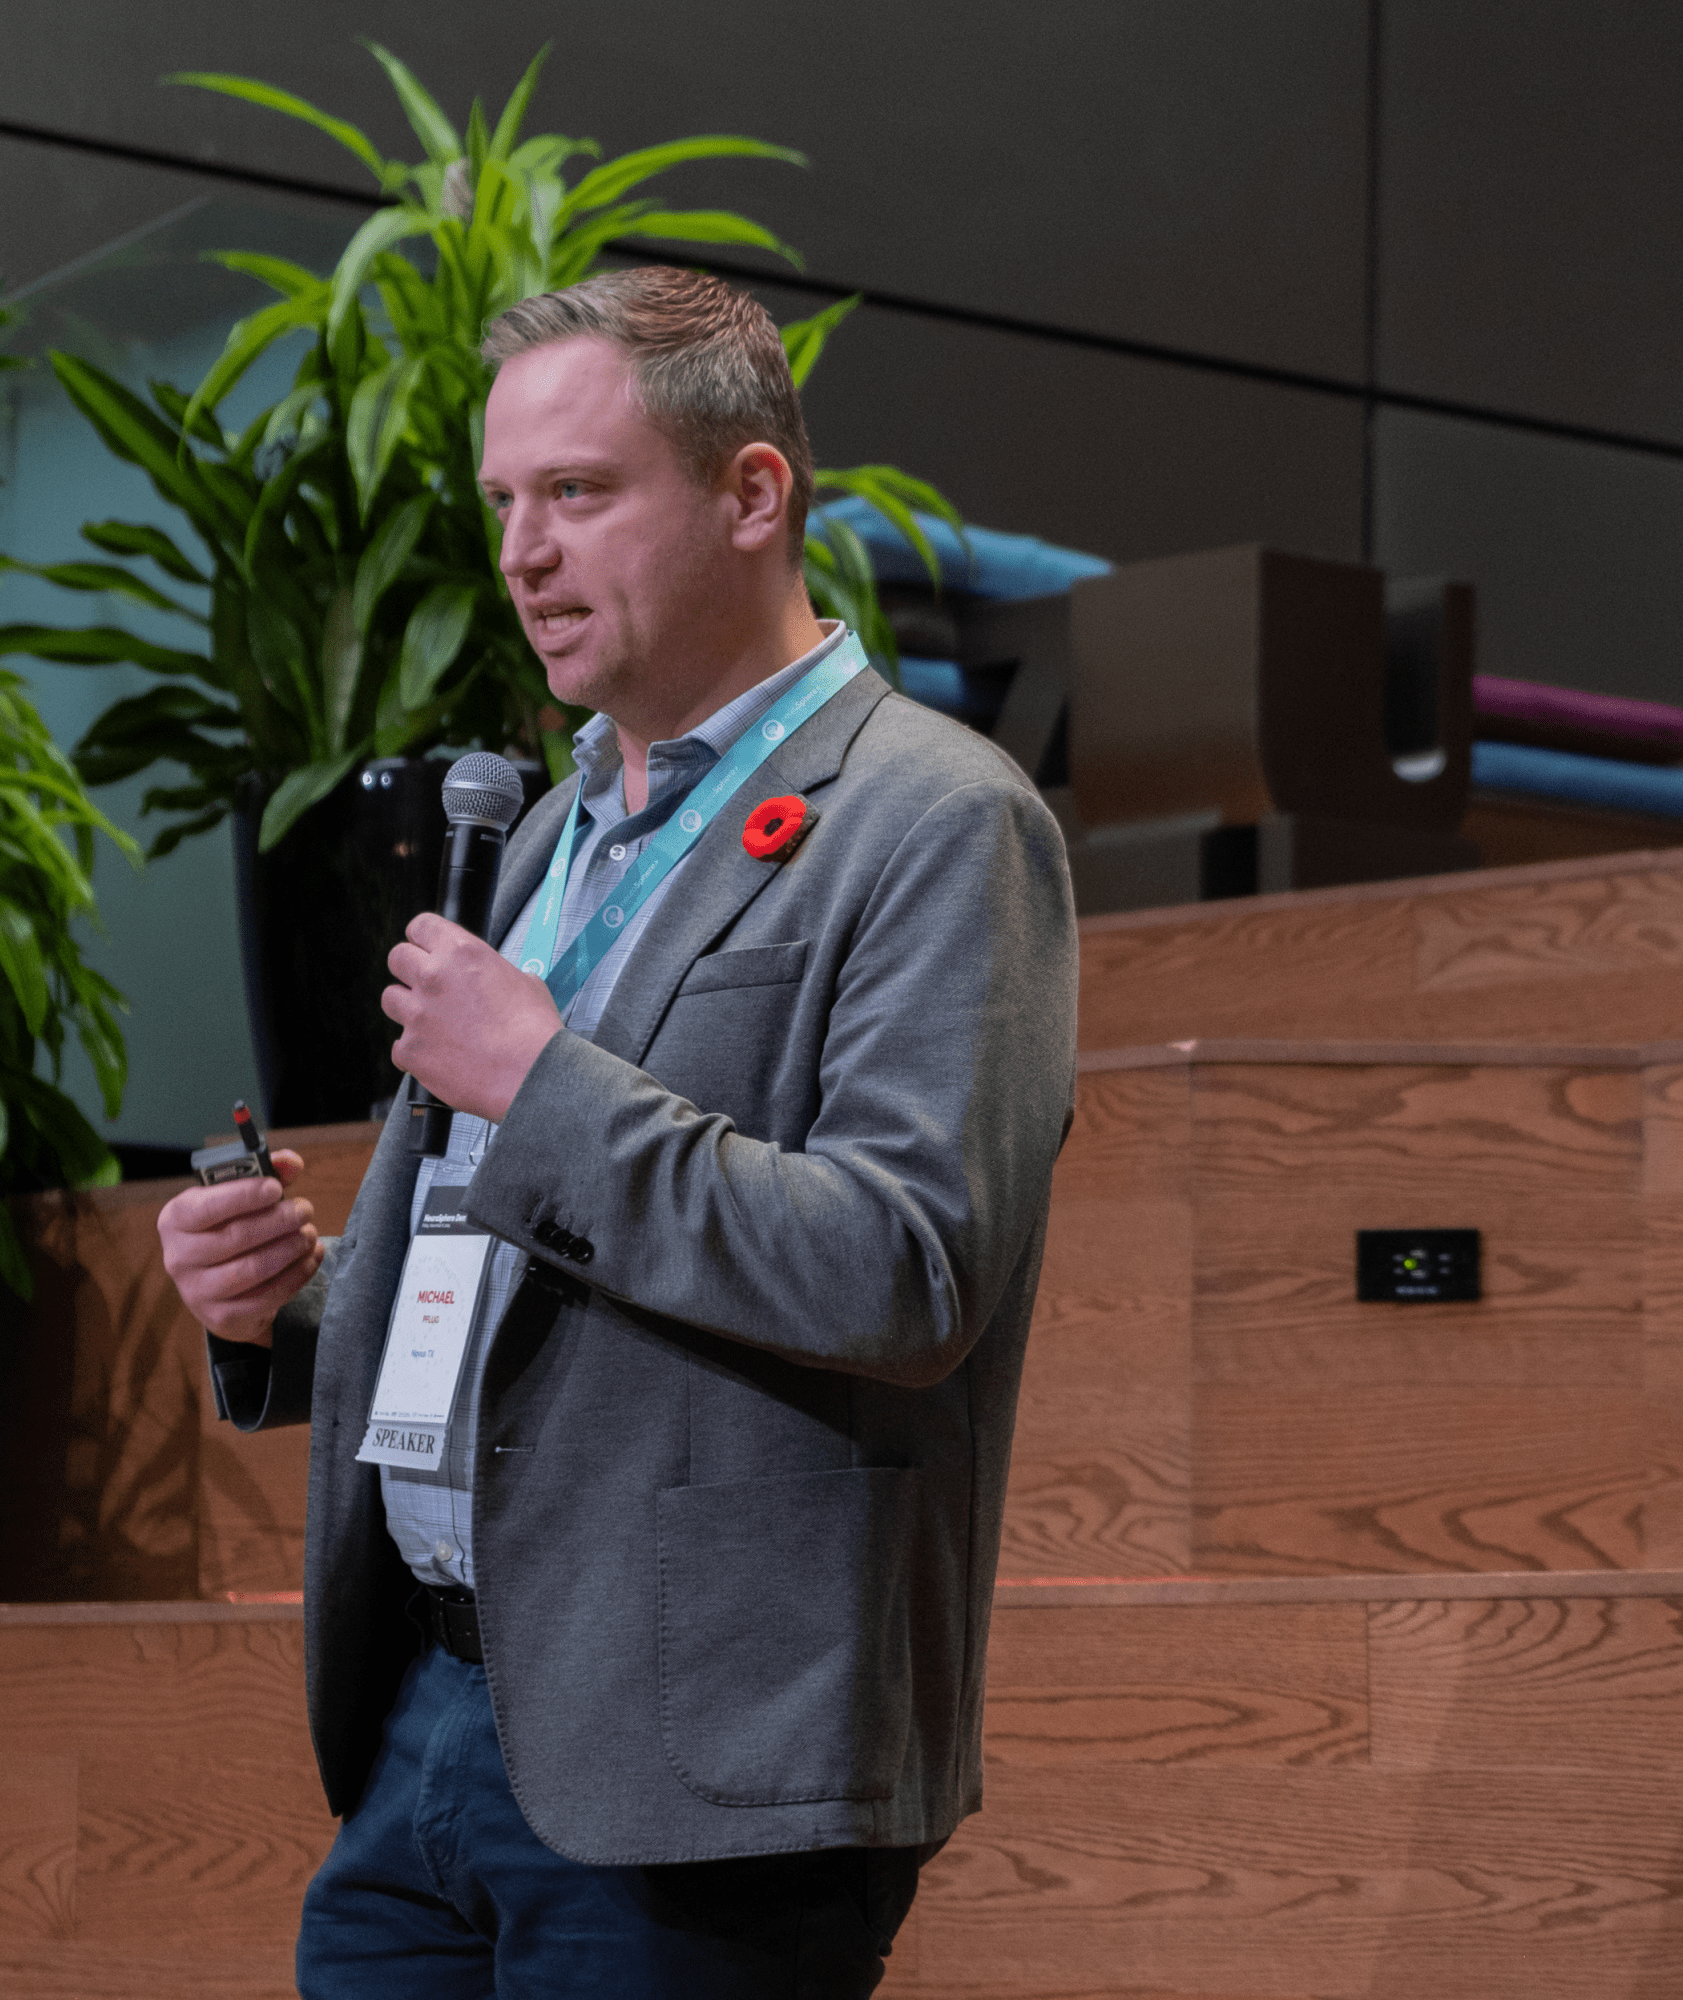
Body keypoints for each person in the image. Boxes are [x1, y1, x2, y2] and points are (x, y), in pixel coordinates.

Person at [157, 265, 1078, 1998]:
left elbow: (906, 1267)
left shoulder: (940, 822)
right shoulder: (549, 827)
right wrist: (283, 1306)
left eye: (577, 491)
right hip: (432, 1718)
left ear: (752, 494)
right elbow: (521, 1262)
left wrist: (542, 1081)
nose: (522, 552)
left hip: (697, 1760)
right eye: (505, 500)